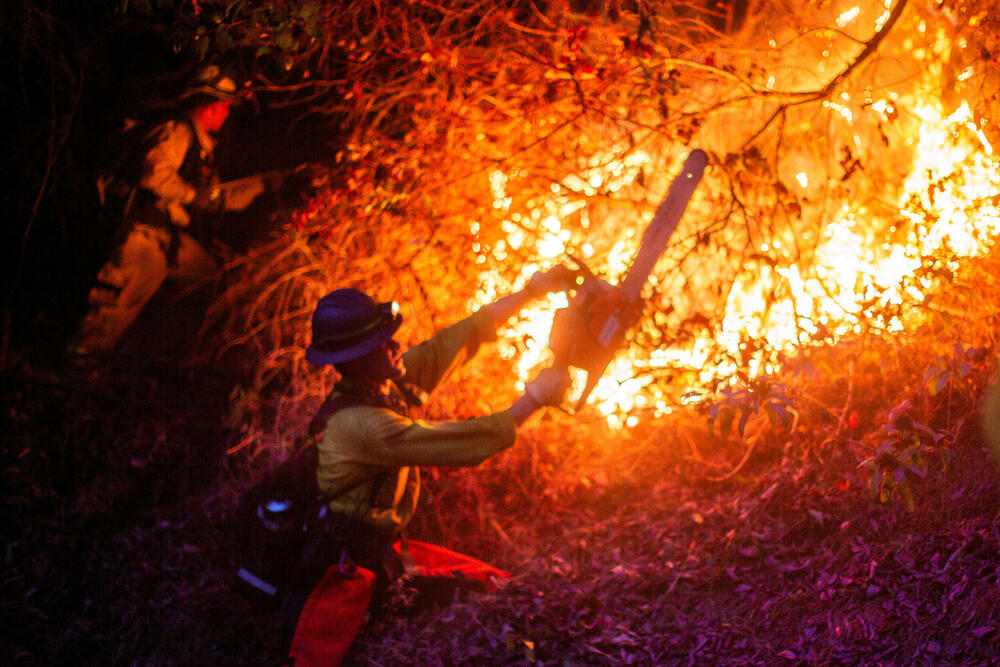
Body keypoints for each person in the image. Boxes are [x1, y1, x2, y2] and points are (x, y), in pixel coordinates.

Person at [286, 270, 575, 663]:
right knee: (497, 605)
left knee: (504, 588)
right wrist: (535, 398)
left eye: (388, 334)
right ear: (355, 362)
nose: (394, 344)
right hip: (353, 569)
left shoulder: (382, 382)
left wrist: (530, 291)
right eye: (380, 342)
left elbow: (461, 338)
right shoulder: (361, 426)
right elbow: (462, 444)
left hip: (385, 551)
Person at [69, 64, 288, 359]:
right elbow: (154, 175)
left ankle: (161, 355)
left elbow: (217, 198)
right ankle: (76, 366)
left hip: (169, 240)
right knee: (113, 309)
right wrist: (190, 194)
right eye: (226, 107)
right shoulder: (176, 131)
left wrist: (265, 183)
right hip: (143, 236)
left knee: (210, 280)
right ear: (213, 106)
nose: (226, 114)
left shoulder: (201, 147)